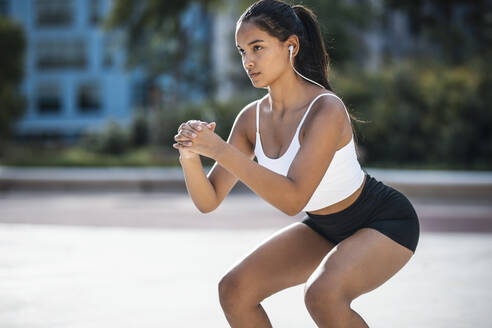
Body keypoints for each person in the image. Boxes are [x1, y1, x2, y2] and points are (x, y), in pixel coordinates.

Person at [173, 0, 420, 327]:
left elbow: (293, 200)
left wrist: (219, 150)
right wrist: (190, 155)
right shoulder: (251, 119)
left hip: (383, 221)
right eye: (241, 51)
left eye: (257, 48)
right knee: (235, 290)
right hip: (323, 226)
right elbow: (208, 200)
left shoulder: (325, 109)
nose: (248, 61)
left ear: (291, 46)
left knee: (323, 294)